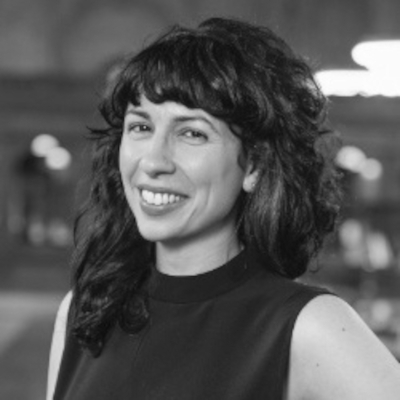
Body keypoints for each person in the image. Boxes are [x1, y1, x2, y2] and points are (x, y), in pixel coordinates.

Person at [47, 17, 400, 400]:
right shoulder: (83, 312)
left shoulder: (306, 326)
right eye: (141, 127)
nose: (153, 161)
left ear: (254, 166)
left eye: (192, 133)